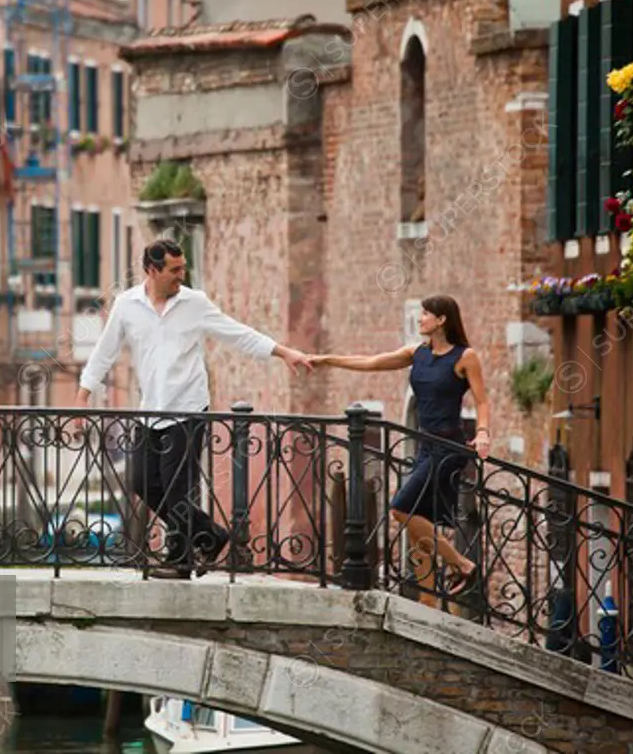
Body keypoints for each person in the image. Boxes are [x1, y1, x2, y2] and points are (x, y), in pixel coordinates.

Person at [74, 238, 314, 579]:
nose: (181, 275)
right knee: (143, 482)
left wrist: (283, 352)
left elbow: (237, 334)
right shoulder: (127, 305)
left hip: (188, 410)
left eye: (182, 268)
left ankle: (181, 560)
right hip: (150, 411)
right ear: (152, 270)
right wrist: (83, 398)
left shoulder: (194, 303)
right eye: (174, 270)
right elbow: (104, 352)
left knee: (176, 491)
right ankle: (211, 536)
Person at [310, 294, 490, 607]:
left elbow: (482, 401)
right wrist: (327, 360)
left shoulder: (465, 357)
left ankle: (462, 564)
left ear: (441, 319)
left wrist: (484, 433)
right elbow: (370, 363)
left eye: (425, 314)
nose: (420, 319)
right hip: (424, 445)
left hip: (449, 448)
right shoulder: (416, 354)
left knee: (400, 509)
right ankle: (428, 603)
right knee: (419, 522)